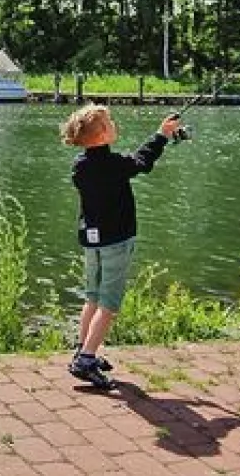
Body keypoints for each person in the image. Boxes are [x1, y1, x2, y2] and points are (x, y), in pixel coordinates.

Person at [60, 104, 181, 388]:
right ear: (102, 135)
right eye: (110, 122)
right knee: (109, 303)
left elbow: (132, 162)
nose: (114, 124)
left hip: (92, 241)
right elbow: (142, 161)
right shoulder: (113, 165)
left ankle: (83, 348)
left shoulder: (80, 166)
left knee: (92, 296)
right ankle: (87, 359)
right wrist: (162, 134)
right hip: (116, 240)